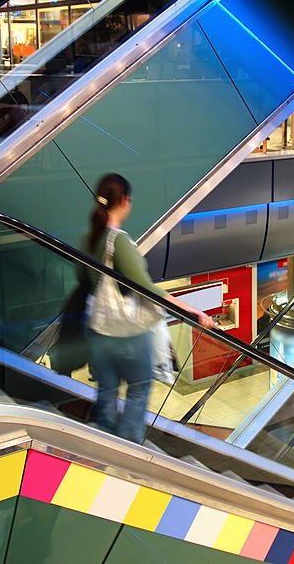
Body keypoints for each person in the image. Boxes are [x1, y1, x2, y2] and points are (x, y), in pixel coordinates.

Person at [82, 173, 215, 443]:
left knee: (107, 389)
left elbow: (88, 280)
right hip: (125, 333)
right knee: (139, 389)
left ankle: (102, 442)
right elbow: (147, 289)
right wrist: (192, 311)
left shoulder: (90, 238)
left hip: (97, 327)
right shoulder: (118, 241)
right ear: (125, 201)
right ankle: (129, 448)